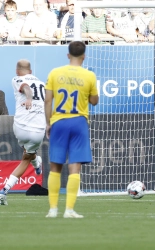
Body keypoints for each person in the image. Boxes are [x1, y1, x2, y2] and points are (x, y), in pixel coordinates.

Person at [44, 41, 99, 218]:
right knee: (74, 168)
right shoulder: (89, 75)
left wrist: (48, 123)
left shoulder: (55, 72)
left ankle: (52, 210)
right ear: (84, 56)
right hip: (78, 121)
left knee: (55, 167)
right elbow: (94, 101)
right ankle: (69, 210)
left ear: (68, 55)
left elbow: (47, 101)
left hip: (59, 121)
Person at [0, 59, 44, 205]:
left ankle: (36, 162)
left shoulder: (17, 79)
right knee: (27, 157)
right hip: (38, 129)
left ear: (17, 71)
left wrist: (29, 99)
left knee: (27, 152)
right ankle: (36, 164)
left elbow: (26, 88)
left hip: (20, 127)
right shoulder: (43, 85)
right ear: (31, 71)